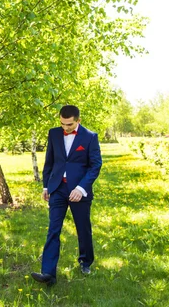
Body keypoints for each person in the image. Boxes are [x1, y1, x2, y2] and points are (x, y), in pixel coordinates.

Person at [31, 105, 102, 286]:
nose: (65, 128)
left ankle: (86, 262)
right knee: (53, 229)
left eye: (69, 125)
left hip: (79, 190)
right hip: (57, 189)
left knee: (83, 228)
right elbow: (50, 161)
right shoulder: (54, 134)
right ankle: (48, 273)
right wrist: (46, 186)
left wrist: (81, 188)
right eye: (62, 124)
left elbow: (95, 166)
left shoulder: (90, 137)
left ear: (78, 120)